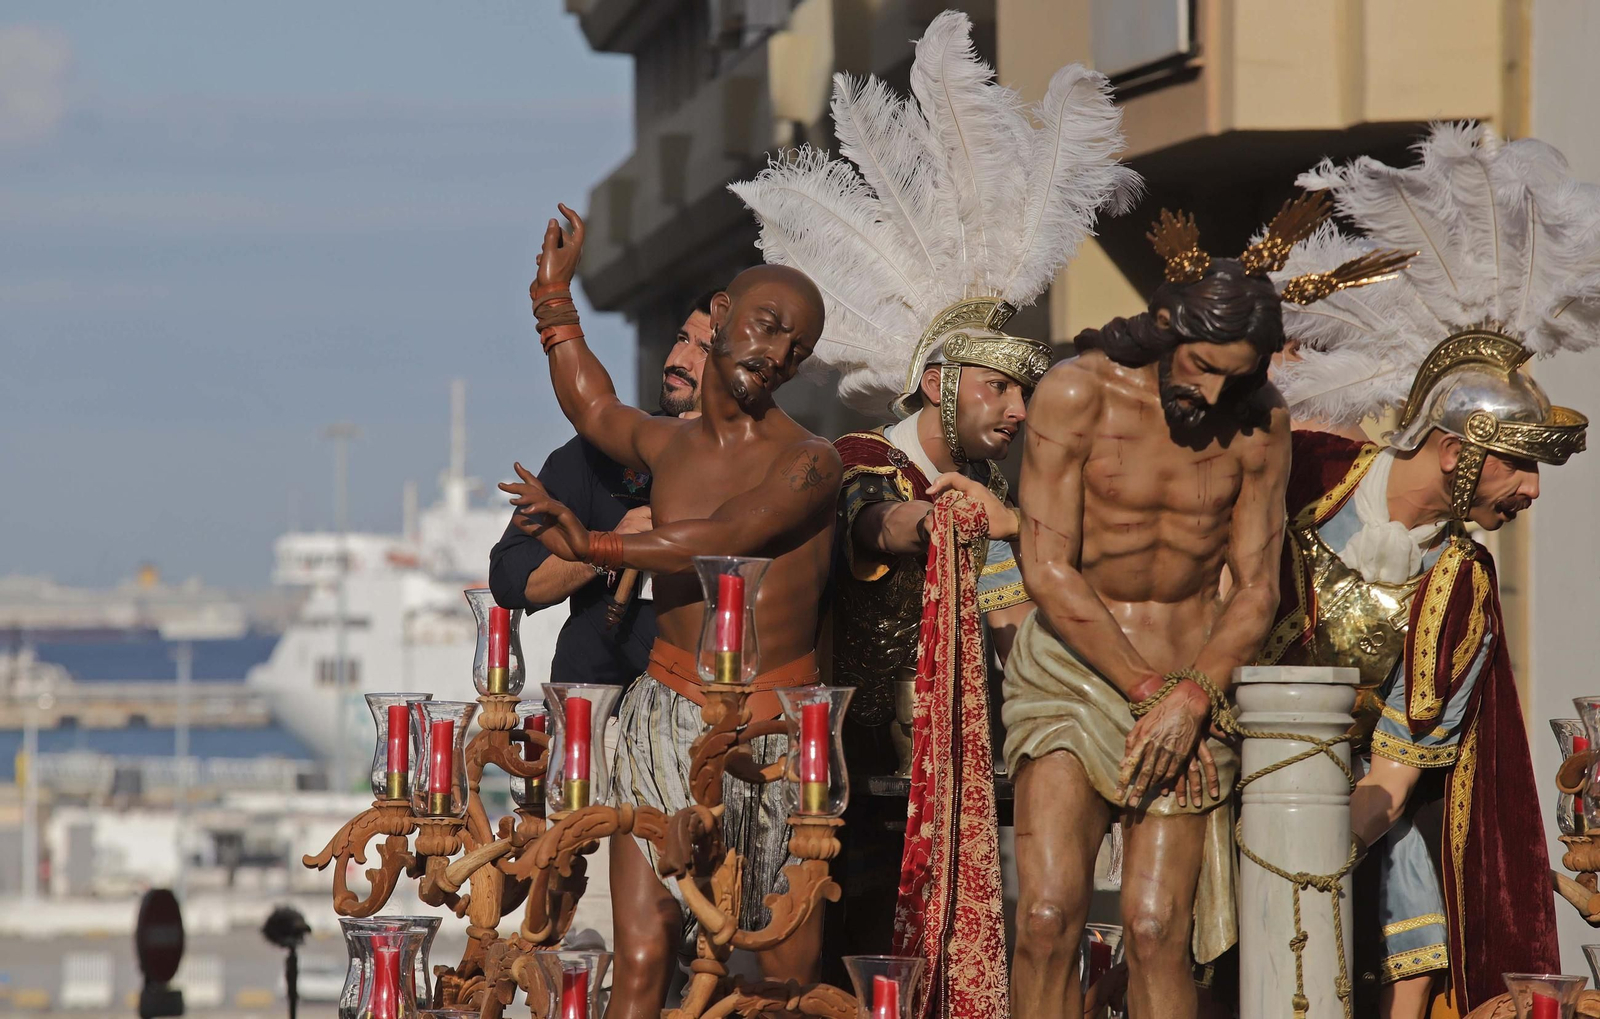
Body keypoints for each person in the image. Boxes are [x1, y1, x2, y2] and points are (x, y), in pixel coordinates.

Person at [729, 12, 1138, 1015]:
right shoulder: (860, 466)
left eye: (1019, 391)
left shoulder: (996, 501)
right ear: (941, 383)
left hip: (965, 790)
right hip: (862, 790)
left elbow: (1010, 619)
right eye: (998, 389)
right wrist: (946, 524)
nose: (1014, 408)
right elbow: (877, 528)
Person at [1003, 195, 1397, 1019]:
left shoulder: (1260, 425)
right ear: (1166, 329)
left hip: (1193, 683)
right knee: (1045, 915)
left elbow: (1256, 586)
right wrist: (1147, 689)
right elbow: (1045, 565)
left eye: (1239, 376)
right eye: (1203, 367)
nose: (1216, 393)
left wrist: (1192, 691)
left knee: (1155, 928)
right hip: (1074, 675)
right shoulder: (1076, 395)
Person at [1263, 124, 1591, 1015]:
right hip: (1231, 756)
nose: (1530, 492)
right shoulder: (1299, 477)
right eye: (1518, 465)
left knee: (1407, 850)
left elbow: (1398, 771)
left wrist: (1316, 837)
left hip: (1347, 807)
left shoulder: (1463, 583)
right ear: (1453, 450)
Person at [501, 204, 839, 1019]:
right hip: (661, 715)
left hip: (771, 738)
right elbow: (593, 407)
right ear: (721, 319)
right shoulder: (668, 444)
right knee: (644, 953)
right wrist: (553, 300)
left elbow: (725, 538)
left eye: (796, 346)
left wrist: (596, 547)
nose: (778, 354)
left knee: (776, 977)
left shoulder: (811, 461)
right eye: (766, 327)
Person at [487, 289, 720, 685]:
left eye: (705, 350)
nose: (678, 361)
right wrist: (606, 549)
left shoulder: (763, 474)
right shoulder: (601, 453)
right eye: (682, 339)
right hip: (594, 714)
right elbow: (511, 580)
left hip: (707, 713)